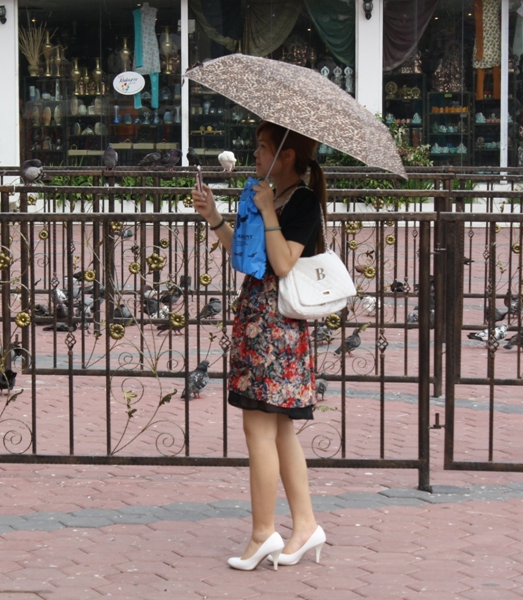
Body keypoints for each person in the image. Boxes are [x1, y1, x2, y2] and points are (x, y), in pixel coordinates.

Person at [191, 122, 327, 571]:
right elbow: (246, 258)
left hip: (278, 328)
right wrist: (214, 217)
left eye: (263, 148)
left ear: (286, 155)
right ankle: (305, 525)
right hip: (256, 320)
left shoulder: (303, 201)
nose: (255, 156)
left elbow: (285, 263)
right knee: (278, 429)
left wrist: (268, 210)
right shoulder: (264, 194)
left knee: (259, 431)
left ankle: (262, 533)